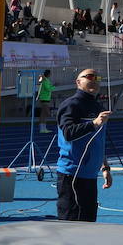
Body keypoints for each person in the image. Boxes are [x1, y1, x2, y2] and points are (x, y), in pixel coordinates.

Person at [55, 69, 113, 222]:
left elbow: (98, 140)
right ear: (78, 82)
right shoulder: (71, 105)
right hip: (72, 175)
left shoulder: (98, 107)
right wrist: (94, 123)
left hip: (90, 175)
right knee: (71, 224)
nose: (94, 79)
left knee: (88, 223)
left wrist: (105, 167)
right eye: (89, 77)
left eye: (97, 77)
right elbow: (68, 133)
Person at [36, 70, 55, 134]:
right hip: (44, 99)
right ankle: (42, 128)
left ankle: (43, 128)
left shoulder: (45, 80)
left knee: (43, 114)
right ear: (48, 74)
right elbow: (48, 89)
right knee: (47, 113)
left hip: (45, 98)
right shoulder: (45, 80)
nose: (51, 74)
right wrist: (54, 86)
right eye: (50, 73)